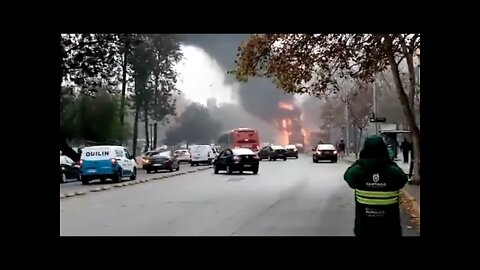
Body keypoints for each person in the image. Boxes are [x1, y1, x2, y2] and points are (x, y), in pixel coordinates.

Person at [344, 135, 408, 237]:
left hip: (365, 229)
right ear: (384, 150)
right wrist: (390, 163)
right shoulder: (393, 172)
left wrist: (360, 162)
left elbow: (348, 177)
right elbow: (403, 180)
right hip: (390, 229)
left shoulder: (358, 171)